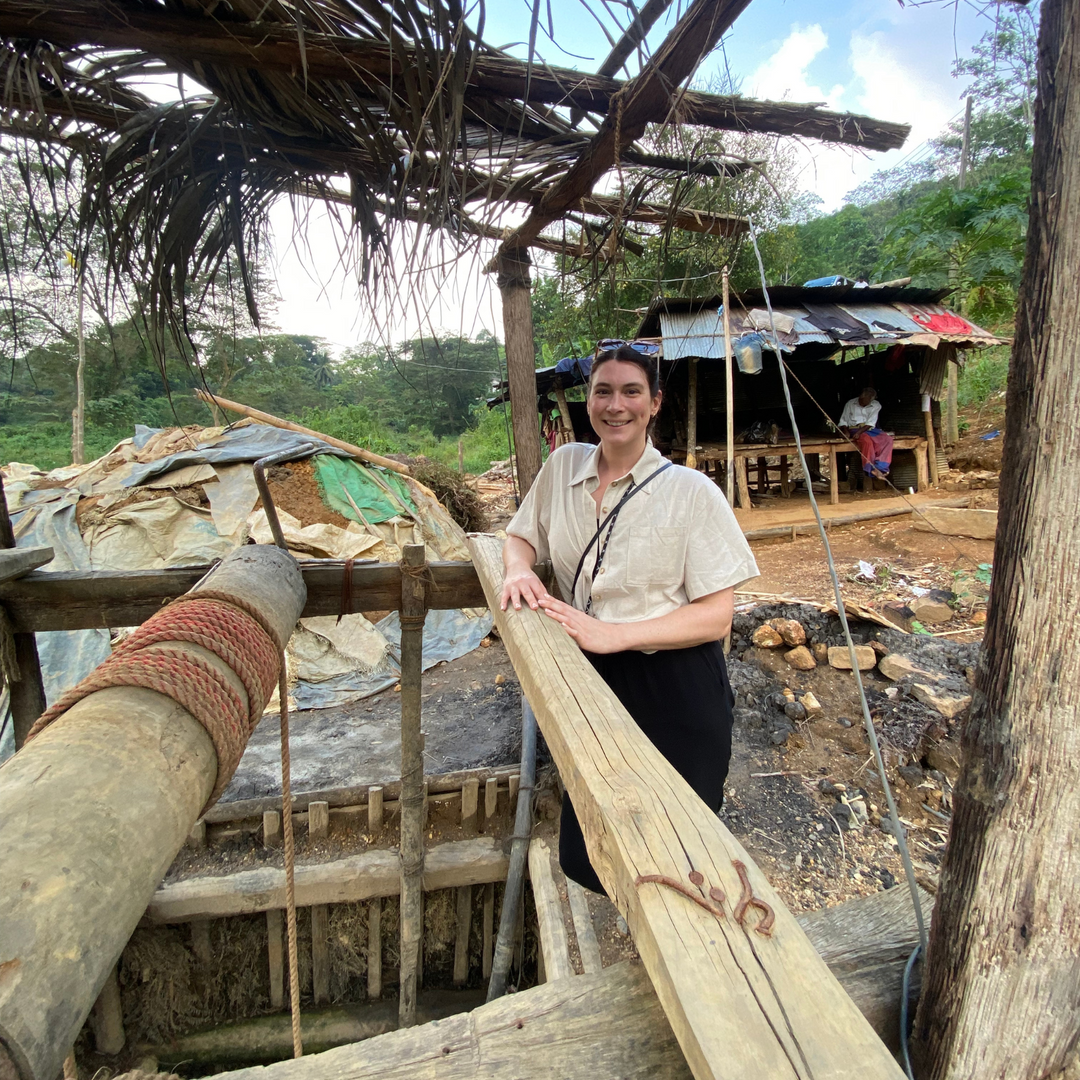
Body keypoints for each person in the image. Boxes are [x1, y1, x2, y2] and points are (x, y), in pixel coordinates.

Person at [499, 345, 759, 894]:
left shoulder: (691, 493)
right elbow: (520, 535)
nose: (616, 405)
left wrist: (614, 634)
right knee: (589, 850)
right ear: (588, 400)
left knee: (682, 845)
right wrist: (517, 571)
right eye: (603, 391)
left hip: (675, 684)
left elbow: (717, 617)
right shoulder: (562, 466)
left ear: (655, 403)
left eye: (631, 391)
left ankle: (684, 958)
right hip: (593, 682)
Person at [839, 386, 894, 479]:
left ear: (871, 400)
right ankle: (871, 469)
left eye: (866, 401)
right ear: (860, 396)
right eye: (862, 400)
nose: (863, 402)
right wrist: (845, 431)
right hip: (854, 428)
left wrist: (859, 432)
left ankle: (881, 467)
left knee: (888, 439)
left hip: (869, 429)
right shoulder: (850, 403)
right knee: (866, 441)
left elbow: (871, 422)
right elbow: (843, 420)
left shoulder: (876, 405)